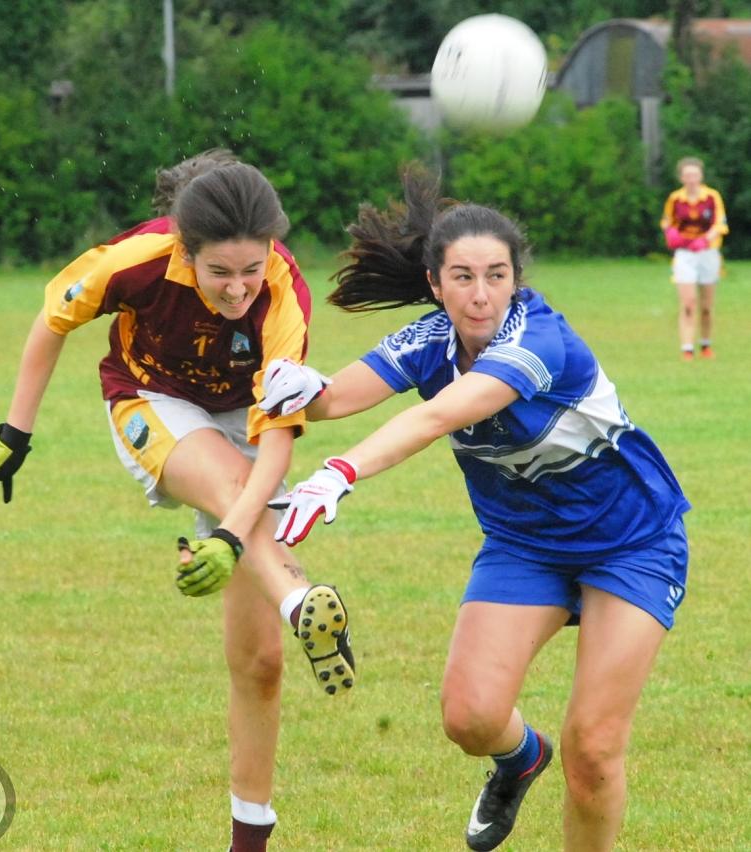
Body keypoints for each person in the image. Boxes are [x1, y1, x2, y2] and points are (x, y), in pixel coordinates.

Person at [259, 167, 690, 851]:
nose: (480, 294)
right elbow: (338, 397)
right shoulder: (429, 339)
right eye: (462, 277)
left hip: (630, 542)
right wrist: (302, 385)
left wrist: (340, 470)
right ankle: (520, 758)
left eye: (495, 275)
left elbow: (437, 417)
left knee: (594, 749)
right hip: (525, 546)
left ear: (515, 278)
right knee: (468, 717)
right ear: (434, 283)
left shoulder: (538, 342)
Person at [0, 149, 354, 852]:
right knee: (233, 491)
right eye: (218, 272)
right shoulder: (133, 260)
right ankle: (300, 600)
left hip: (245, 416)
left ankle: (247, 842)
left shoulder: (283, 291)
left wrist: (229, 539)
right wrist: (16, 432)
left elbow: (281, 437)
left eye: (250, 270)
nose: (237, 290)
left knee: (261, 664)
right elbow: (52, 322)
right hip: (151, 399)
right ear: (184, 249)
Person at [660, 156, 728, 361]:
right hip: (685, 254)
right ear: (682, 177)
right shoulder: (675, 199)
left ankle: (705, 344)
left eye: (695, 175)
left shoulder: (712, 197)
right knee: (689, 302)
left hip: (708, 254)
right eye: (688, 175)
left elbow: (720, 224)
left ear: (701, 176)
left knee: (706, 306)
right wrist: (671, 234)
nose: (692, 179)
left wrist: (705, 240)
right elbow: (667, 222)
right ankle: (687, 348)